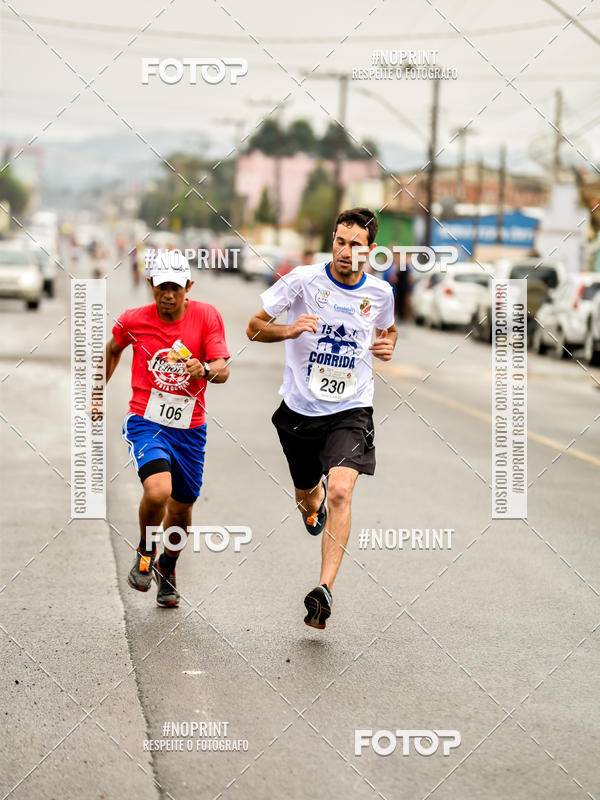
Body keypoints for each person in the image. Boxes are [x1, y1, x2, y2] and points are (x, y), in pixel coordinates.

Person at [246, 208, 397, 629]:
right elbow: (254, 328)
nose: (346, 252)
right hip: (299, 411)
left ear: (372, 250)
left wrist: (387, 346)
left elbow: (389, 330)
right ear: (332, 240)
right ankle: (311, 508)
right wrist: (289, 330)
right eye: (340, 242)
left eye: (356, 245)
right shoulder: (302, 280)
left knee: (342, 493)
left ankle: (324, 590)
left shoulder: (381, 294)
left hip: (351, 409)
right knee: (310, 497)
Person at [105, 250, 230, 607]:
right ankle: (146, 549)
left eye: (176, 287)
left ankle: (168, 567)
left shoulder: (206, 317)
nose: (169, 294)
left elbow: (223, 368)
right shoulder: (135, 320)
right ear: (151, 286)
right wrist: (97, 392)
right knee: (158, 492)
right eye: (162, 287)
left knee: (180, 509)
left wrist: (204, 369)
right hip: (147, 421)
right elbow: (113, 348)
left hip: (190, 429)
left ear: (188, 286)